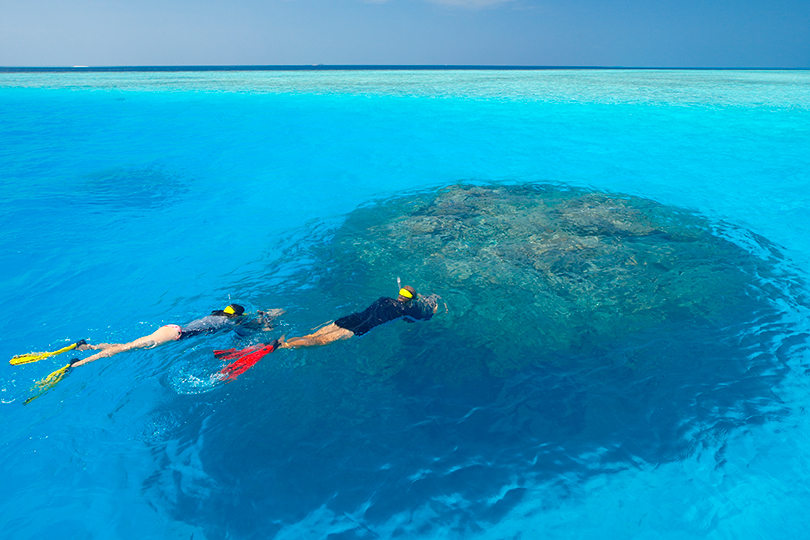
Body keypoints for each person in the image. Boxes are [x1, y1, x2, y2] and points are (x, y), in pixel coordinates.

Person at [71, 304, 283, 367]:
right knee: (127, 348)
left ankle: (87, 347)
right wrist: (265, 322)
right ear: (236, 316)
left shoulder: (218, 316)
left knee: (130, 344)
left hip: (172, 329)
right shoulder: (227, 323)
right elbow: (244, 331)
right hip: (173, 335)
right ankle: (78, 364)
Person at [281, 286, 439, 349]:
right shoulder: (404, 311)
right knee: (317, 341)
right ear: (410, 300)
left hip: (349, 319)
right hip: (358, 328)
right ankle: (281, 346)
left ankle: (283, 342)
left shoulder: (384, 299)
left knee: (312, 336)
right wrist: (433, 308)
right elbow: (421, 318)